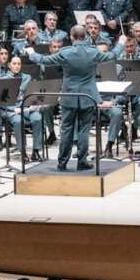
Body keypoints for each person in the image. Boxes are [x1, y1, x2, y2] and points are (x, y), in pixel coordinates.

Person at [23, 25, 118, 171]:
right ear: (85, 37)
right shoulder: (93, 52)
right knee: (84, 130)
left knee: (66, 129)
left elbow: (44, 60)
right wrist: (122, 44)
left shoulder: (65, 52)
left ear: (72, 37)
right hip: (88, 97)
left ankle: (62, 162)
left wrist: (31, 53)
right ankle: (82, 161)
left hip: (69, 96)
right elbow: (111, 56)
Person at [0, 55, 43, 161]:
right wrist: (14, 110)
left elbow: (32, 94)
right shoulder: (3, 80)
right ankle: (23, 152)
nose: (17, 66)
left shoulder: (27, 77)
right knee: (18, 121)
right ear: (9, 65)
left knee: (37, 118)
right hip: (10, 109)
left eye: (19, 64)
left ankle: (36, 151)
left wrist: (34, 103)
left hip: (25, 108)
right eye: (14, 64)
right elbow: (0, 101)